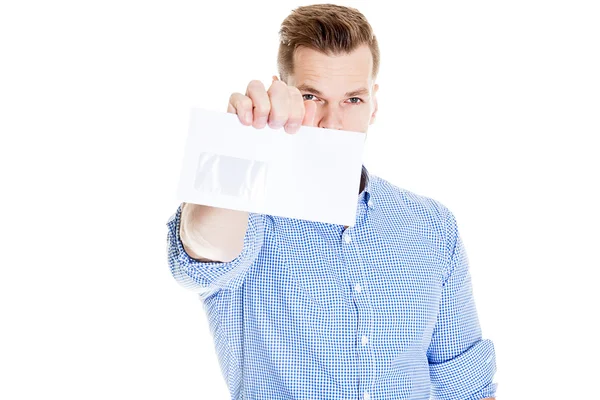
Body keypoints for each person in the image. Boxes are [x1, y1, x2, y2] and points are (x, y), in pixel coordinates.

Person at [166, 4, 497, 399]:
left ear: (374, 103)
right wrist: (241, 142)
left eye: (352, 100)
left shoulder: (431, 225)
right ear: (282, 91)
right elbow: (204, 245)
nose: (333, 123)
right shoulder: (247, 216)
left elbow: (466, 386)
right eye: (311, 97)